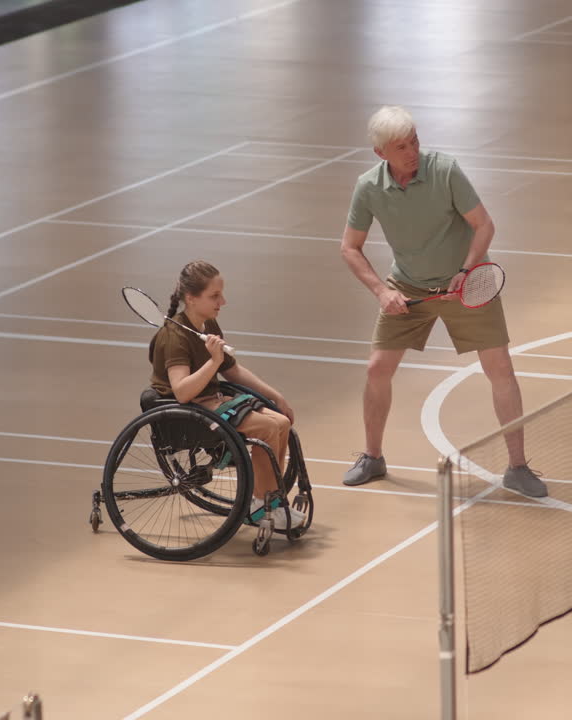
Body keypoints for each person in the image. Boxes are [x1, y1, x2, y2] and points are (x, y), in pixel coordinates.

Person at [338, 105, 547, 498]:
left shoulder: (445, 171)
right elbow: (350, 248)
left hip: (464, 286)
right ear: (381, 154)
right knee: (377, 369)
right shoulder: (368, 187)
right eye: (402, 146)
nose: (413, 150)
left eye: (414, 140)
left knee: (499, 367)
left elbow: (484, 225)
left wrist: (467, 272)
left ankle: (518, 467)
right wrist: (383, 292)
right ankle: (372, 456)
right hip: (408, 286)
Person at [148, 260, 305, 527]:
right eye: (215, 296)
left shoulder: (208, 325)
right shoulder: (175, 336)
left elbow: (233, 371)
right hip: (190, 411)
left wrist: (277, 397)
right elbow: (183, 391)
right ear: (191, 298)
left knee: (281, 422)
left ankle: (272, 501)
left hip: (213, 401)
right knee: (266, 428)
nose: (223, 301)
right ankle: (261, 505)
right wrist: (213, 361)